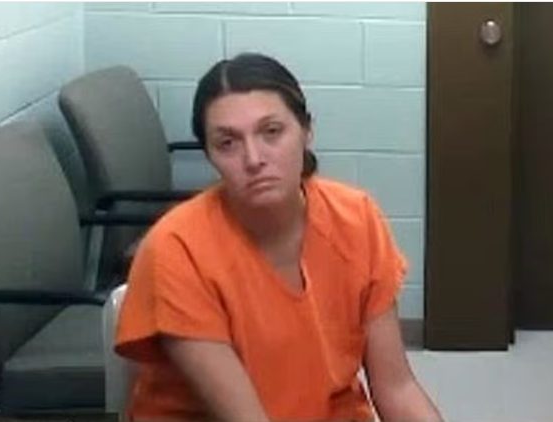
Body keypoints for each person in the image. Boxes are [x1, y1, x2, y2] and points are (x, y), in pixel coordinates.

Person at [115, 52, 442, 422]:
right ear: (209, 155)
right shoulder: (177, 248)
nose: (254, 158)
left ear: (306, 130)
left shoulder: (356, 218)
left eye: (271, 132)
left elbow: (397, 389)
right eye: (228, 143)